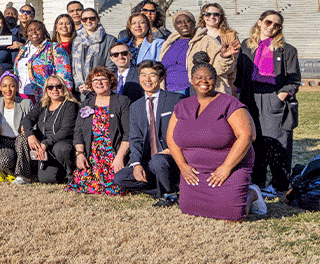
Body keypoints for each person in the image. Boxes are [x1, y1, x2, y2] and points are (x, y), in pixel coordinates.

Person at [167, 62, 256, 221]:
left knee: (234, 215)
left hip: (229, 168)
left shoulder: (230, 103)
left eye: (209, 78)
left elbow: (247, 136)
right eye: (199, 78)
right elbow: (171, 139)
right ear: (192, 80)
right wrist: (182, 166)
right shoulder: (182, 106)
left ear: (215, 80)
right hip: (194, 171)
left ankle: (252, 194)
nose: (204, 81)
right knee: (188, 209)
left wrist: (226, 168)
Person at [237, 9, 300, 198]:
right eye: (268, 22)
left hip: (273, 96)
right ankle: (257, 182)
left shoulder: (287, 50)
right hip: (250, 96)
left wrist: (281, 96)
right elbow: (239, 74)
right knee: (254, 138)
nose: (272, 27)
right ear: (259, 22)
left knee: (277, 140)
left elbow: (294, 79)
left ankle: (280, 184)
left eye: (277, 25)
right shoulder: (246, 46)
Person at [114, 60, 183, 205]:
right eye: (143, 75)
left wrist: (173, 149)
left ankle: (169, 195)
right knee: (120, 178)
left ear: (161, 78)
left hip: (170, 158)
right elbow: (135, 138)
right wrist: (136, 164)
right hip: (149, 162)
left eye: (152, 75)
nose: (147, 79)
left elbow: (185, 130)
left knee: (159, 160)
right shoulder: (136, 106)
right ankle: (163, 190)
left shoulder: (175, 100)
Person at [67, 67, 131, 196]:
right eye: (95, 80)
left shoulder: (122, 101)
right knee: (81, 185)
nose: (99, 83)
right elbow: (78, 132)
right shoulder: (86, 103)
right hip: (92, 153)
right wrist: (80, 154)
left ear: (111, 81)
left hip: (114, 152)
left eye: (103, 79)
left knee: (115, 188)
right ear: (91, 84)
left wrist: (119, 157)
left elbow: (128, 134)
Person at [20, 74, 79, 183]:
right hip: (45, 148)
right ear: (46, 90)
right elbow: (27, 120)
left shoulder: (70, 105)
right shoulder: (42, 104)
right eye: (50, 87)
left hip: (61, 143)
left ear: (64, 88)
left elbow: (66, 130)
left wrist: (46, 143)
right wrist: (30, 135)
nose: (54, 89)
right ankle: (25, 174)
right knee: (47, 180)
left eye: (58, 86)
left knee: (61, 148)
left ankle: (72, 174)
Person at [0, 72, 33, 183]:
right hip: (4, 142)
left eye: (12, 86)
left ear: (17, 87)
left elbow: (34, 126)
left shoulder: (26, 103)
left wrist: (27, 129)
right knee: (2, 162)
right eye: (4, 86)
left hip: (22, 141)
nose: (8, 89)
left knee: (22, 138)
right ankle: (14, 175)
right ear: (0, 87)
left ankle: (23, 176)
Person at [15, 21, 73, 100]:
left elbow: (64, 74)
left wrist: (65, 96)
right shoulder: (23, 49)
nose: (34, 32)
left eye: (37, 29)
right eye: (30, 30)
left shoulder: (55, 48)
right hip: (22, 94)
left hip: (45, 96)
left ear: (43, 31)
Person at [197, 3, 242, 94]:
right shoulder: (197, 34)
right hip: (201, 78)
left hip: (224, 79)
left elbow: (235, 59)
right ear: (203, 16)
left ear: (221, 17)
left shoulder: (229, 35)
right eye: (208, 14)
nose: (212, 17)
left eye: (216, 14)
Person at [157, 11, 205, 94]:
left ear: (194, 23)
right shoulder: (169, 43)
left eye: (187, 21)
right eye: (179, 22)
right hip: (168, 91)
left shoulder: (205, 41)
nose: (183, 24)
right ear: (175, 26)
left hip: (191, 91)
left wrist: (224, 56)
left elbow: (220, 66)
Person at [72, 9, 115, 91]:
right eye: (85, 19)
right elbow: (74, 67)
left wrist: (92, 85)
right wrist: (79, 86)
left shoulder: (109, 40)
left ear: (98, 20)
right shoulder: (77, 41)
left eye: (92, 18)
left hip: (101, 88)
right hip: (81, 90)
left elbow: (111, 66)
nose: (88, 21)